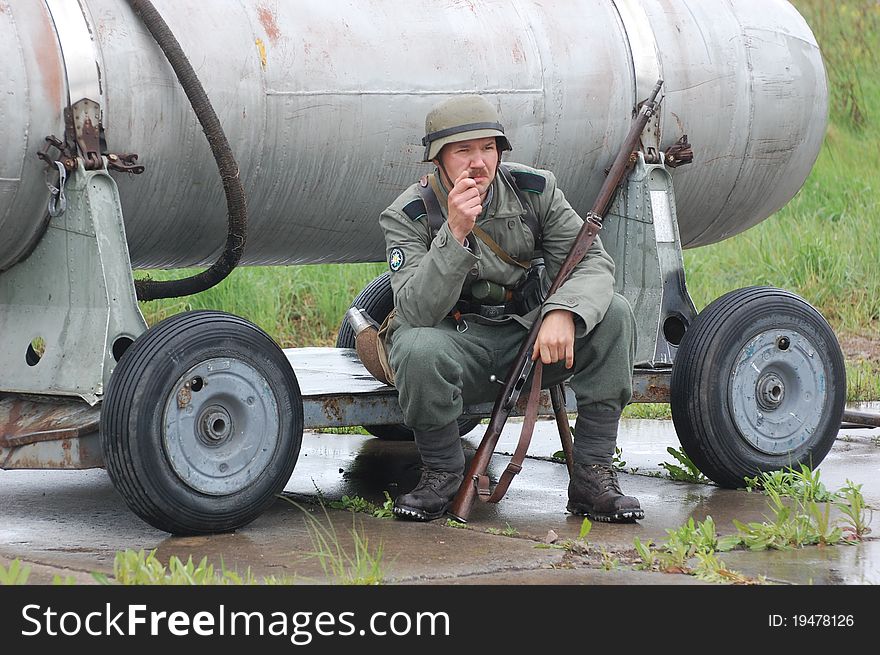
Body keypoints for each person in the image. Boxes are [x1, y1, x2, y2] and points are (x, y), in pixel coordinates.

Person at [377, 94, 642, 523]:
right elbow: (415, 311)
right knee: (416, 347)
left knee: (613, 314)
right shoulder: (408, 213)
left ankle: (593, 474)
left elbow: (591, 262)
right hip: (457, 344)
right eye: (463, 150)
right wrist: (455, 232)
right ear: (437, 160)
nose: (478, 161)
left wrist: (563, 313)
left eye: (488, 147)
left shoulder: (534, 191)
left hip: (530, 338)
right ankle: (442, 472)